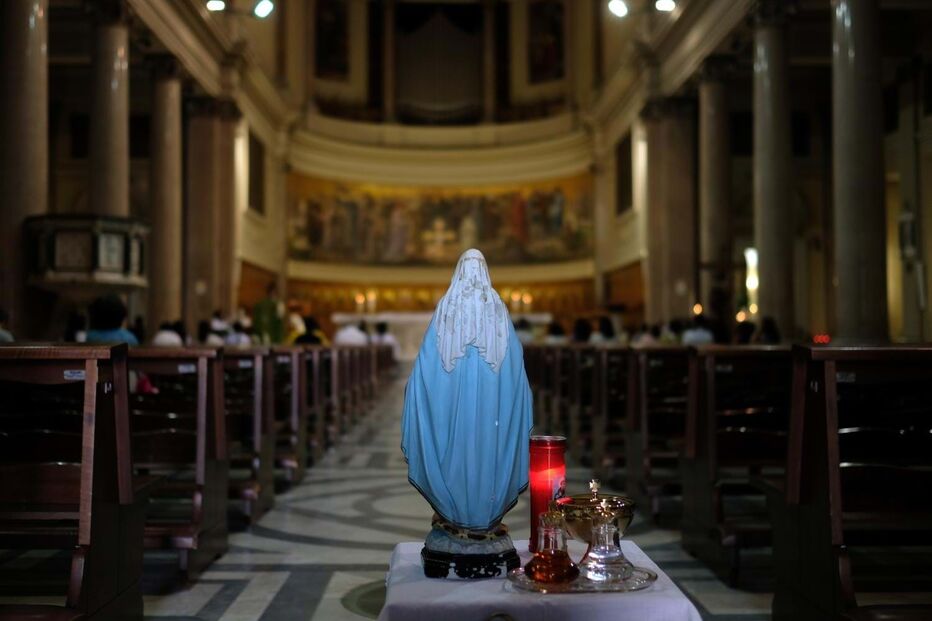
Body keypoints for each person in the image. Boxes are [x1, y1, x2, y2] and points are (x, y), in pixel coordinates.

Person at [401, 249, 532, 573]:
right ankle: (484, 517)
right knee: (490, 447)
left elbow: (424, 374)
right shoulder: (497, 311)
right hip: (494, 417)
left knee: (453, 449)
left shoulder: (447, 311)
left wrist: (419, 399)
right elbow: (516, 376)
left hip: (450, 423)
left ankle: (456, 510)